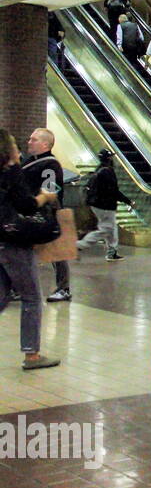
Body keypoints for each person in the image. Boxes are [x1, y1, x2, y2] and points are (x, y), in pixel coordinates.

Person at [0, 127, 61, 370]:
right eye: (17, 142)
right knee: (32, 297)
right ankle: (32, 355)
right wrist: (45, 198)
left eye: (32, 139)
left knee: (2, 296)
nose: (23, 144)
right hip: (14, 239)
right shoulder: (12, 171)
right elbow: (25, 205)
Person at [21, 128, 72, 300]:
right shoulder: (31, 162)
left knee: (57, 252)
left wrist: (40, 204)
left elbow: (50, 190)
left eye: (33, 139)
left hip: (45, 214)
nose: (29, 142)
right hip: (30, 213)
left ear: (45, 144)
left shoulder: (49, 164)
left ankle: (63, 288)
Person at [78, 149, 131, 261]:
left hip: (98, 204)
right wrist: (128, 201)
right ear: (109, 158)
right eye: (112, 157)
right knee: (106, 229)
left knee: (111, 228)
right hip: (105, 206)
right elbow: (114, 191)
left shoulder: (100, 169)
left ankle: (112, 252)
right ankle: (79, 245)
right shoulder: (107, 172)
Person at [116, 13, 147, 79]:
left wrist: (119, 46)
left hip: (125, 48)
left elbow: (119, 36)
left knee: (126, 62)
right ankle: (137, 76)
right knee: (133, 61)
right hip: (135, 48)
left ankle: (129, 76)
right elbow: (141, 37)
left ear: (120, 20)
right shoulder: (135, 25)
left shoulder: (120, 26)